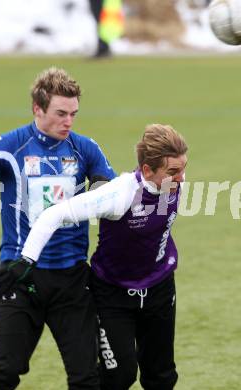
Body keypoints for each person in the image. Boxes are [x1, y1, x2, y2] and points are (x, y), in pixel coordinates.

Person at [0, 67, 116, 389]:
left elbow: (111, 188)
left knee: (86, 378)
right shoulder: (11, 146)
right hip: (21, 276)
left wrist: (101, 187)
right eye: (61, 113)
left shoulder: (84, 148)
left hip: (72, 279)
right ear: (38, 108)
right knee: (4, 374)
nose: (69, 122)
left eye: (74, 114)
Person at [21, 124, 188, 390]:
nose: (181, 178)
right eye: (173, 172)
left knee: (162, 376)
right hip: (113, 295)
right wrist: (25, 260)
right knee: (119, 375)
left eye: (183, 168)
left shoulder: (175, 184)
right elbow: (54, 214)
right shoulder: (119, 194)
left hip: (159, 289)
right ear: (147, 170)